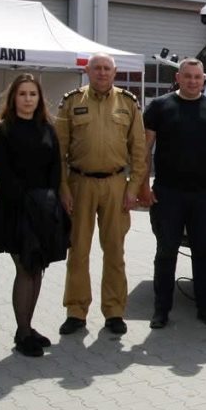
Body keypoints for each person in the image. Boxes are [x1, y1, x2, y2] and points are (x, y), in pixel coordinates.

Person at [56, 53, 147, 336]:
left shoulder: (128, 103)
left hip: (116, 185)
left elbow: (139, 151)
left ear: (115, 72)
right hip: (80, 184)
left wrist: (133, 188)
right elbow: (58, 151)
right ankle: (76, 311)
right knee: (78, 251)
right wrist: (63, 188)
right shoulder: (72, 102)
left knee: (115, 252)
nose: (102, 73)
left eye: (107, 68)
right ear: (88, 70)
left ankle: (114, 311)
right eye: (97, 68)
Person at [140, 58, 206, 329]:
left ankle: (205, 308)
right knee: (166, 252)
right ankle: (161, 310)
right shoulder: (159, 106)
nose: (193, 81)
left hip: (204, 194)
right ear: (178, 78)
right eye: (188, 76)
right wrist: (142, 185)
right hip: (167, 193)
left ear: (204, 80)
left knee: (203, 251)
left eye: (197, 77)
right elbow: (144, 149)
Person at [0, 74, 70, 357]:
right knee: (24, 267)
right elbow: (3, 173)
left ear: (39, 98)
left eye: (32, 94)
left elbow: (55, 169)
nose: (27, 99)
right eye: (22, 94)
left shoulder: (47, 128)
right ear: (13, 98)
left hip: (45, 207)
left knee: (37, 267)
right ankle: (22, 333)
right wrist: (28, 202)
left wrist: (53, 201)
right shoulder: (1, 130)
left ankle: (28, 327)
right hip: (16, 207)